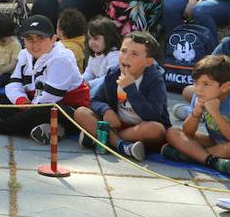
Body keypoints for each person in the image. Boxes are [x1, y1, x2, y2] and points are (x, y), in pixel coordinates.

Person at [0, 15, 90, 142]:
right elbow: (13, 84)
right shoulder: (24, 54)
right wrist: (23, 102)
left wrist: (29, 109)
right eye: (29, 38)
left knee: (42, 111)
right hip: (33, 103)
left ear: (53, 39)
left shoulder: (62, 58)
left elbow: (50, 98)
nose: (34, 44)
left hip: (65, 108)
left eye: (41, 38)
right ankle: (45, 128)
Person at [72, 31, 168, 162]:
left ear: (148, 62)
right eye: (123, 51)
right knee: (81, 112)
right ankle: (121, 145)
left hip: (139, 129)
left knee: (156, 130)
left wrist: (131, 89)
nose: (126, 57)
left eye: (134, 54)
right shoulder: (114, 73)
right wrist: (106, 110)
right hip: (116, 123)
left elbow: (153, 115)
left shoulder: (155, 80)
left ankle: (103, 138)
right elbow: (95, 101)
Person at [162, 54, 230, 178]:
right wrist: (196, 113)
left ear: (224, 87)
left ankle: (191, 155)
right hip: (214, 141)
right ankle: (213, 161)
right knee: (172, 132)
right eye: (196, 83)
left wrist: (215, 114)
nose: (198, 89)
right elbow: (188, 132)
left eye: (206, 84)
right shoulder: (200, 95)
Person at [83, 16, 122, 95]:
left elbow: (108, 78)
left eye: (96, 38)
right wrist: (80, 81)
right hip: (98, 88)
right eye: (89, 38)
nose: (91, 42)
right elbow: (89, 73)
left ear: (109, 38)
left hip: (110, 91)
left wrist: (89, 84)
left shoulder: (114, 56)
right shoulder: (94, 55)